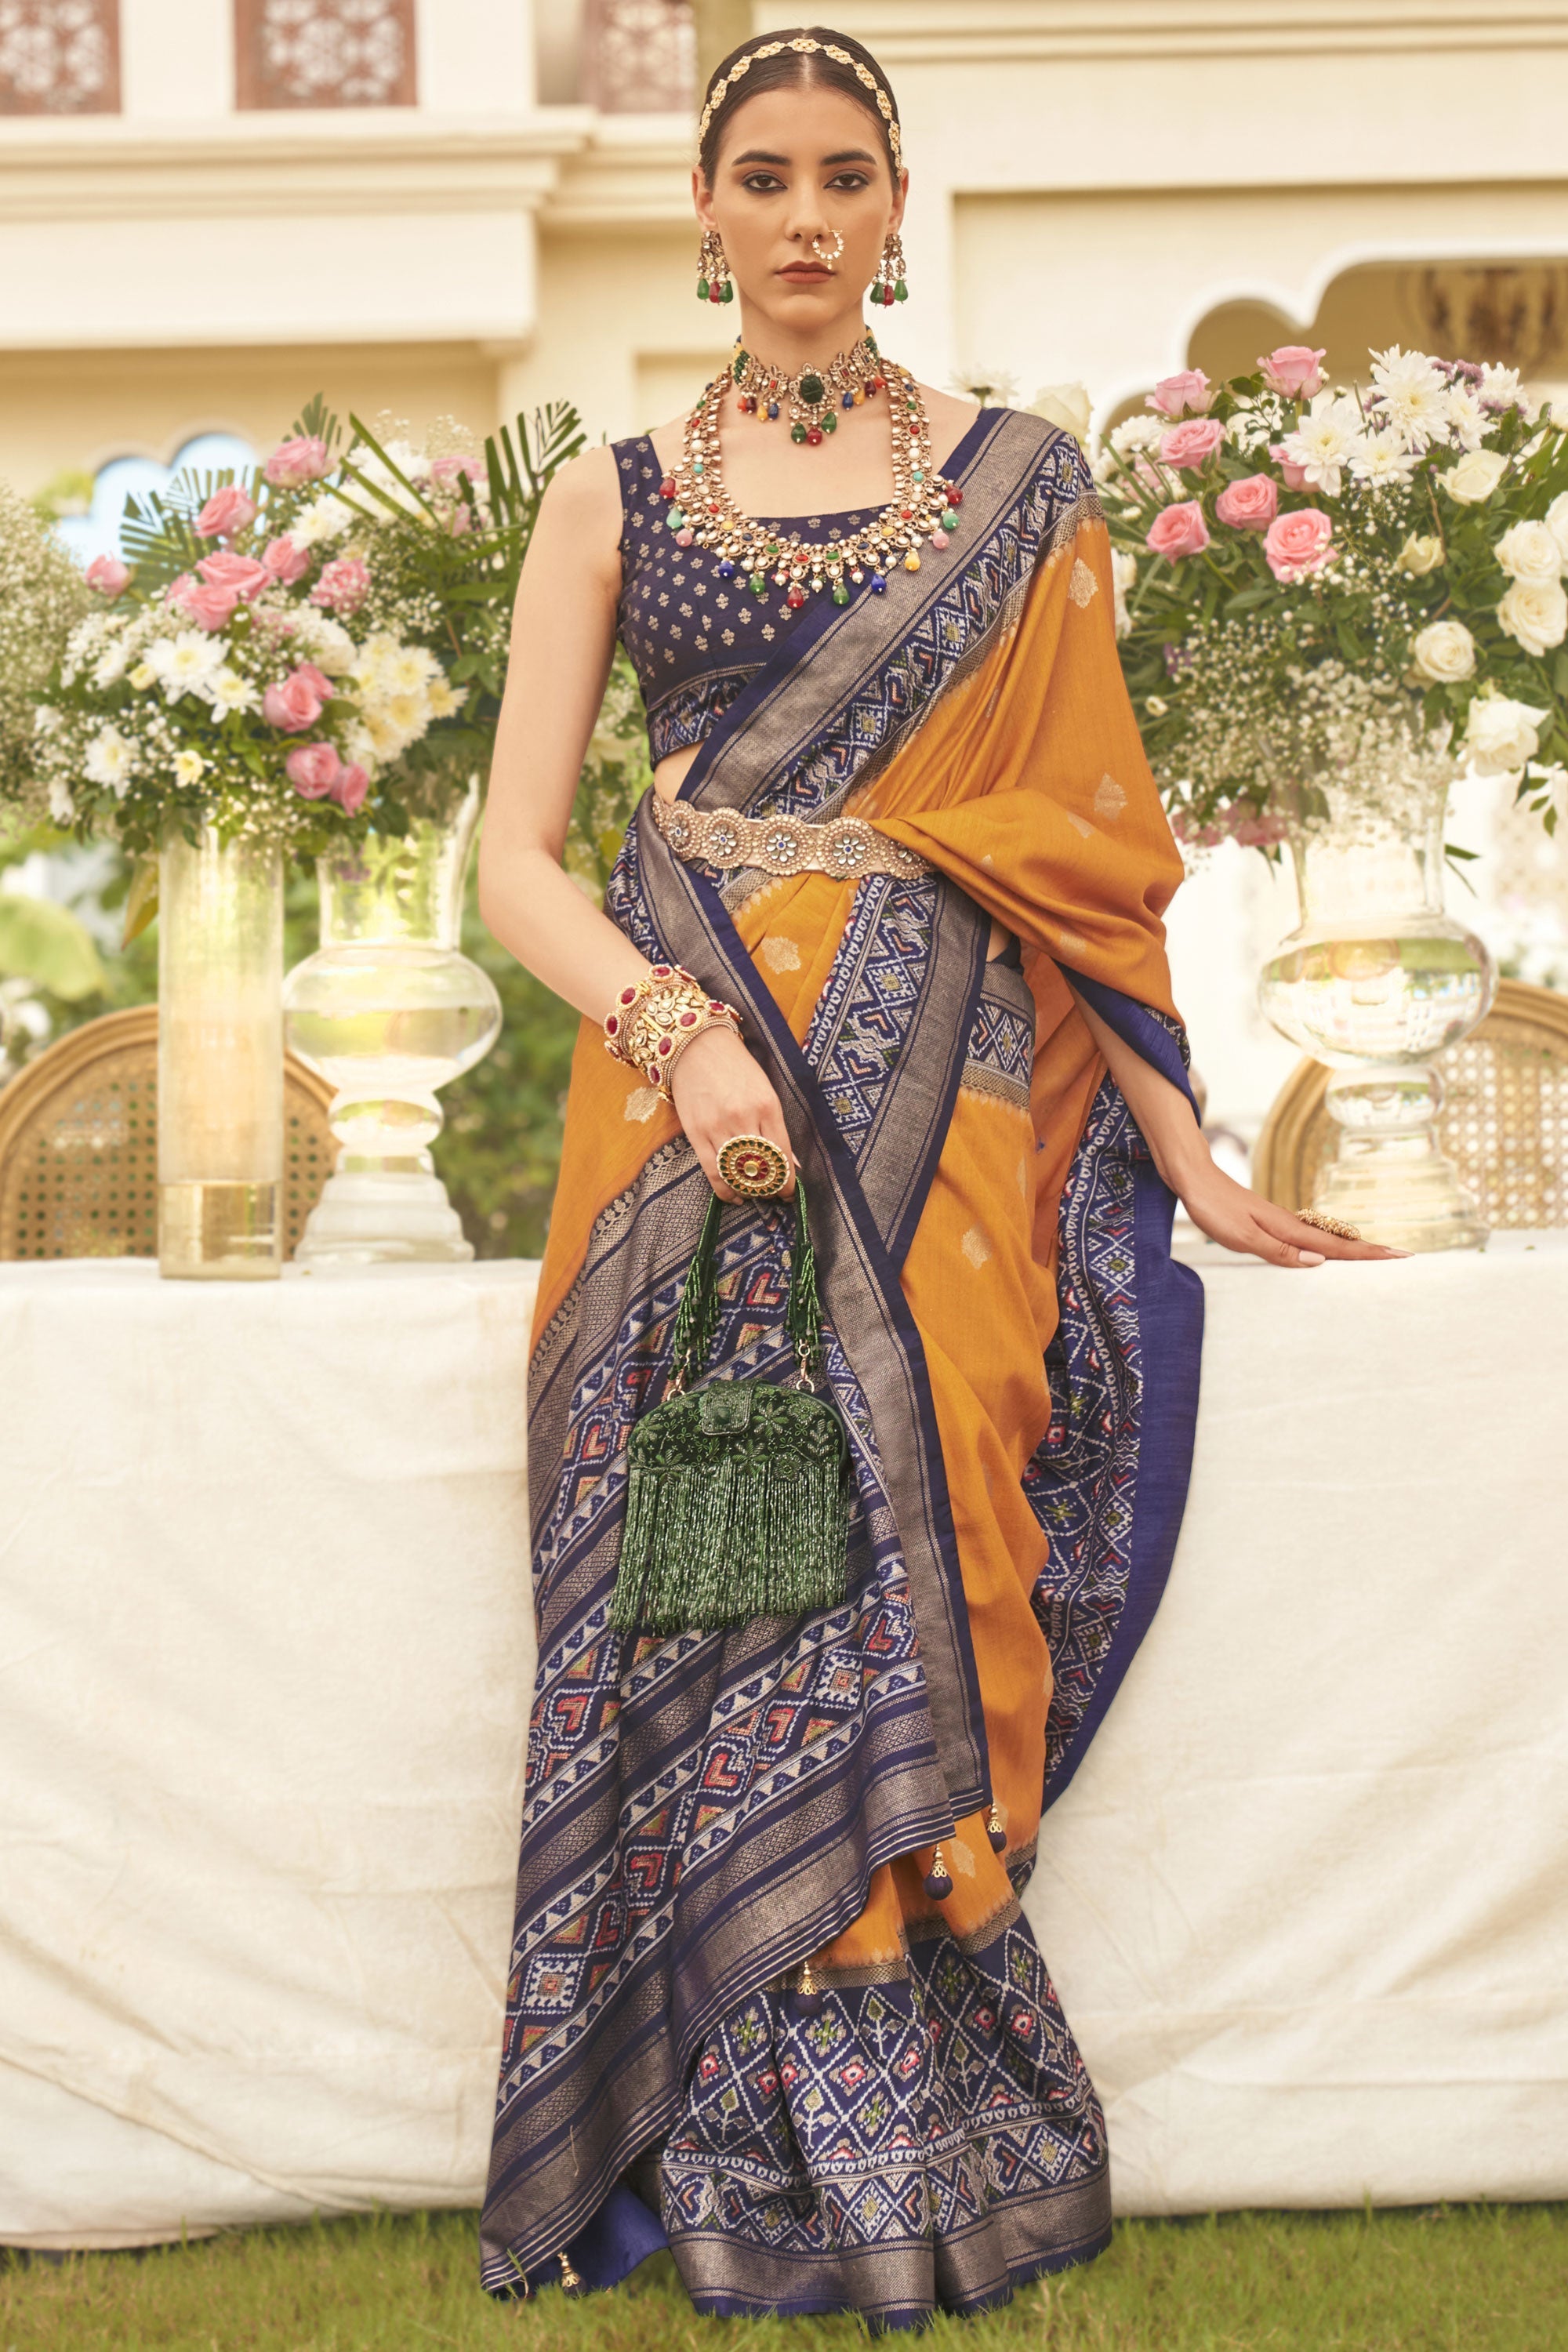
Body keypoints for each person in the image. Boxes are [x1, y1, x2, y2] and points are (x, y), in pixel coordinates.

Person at [474, 24, 1398, 2327]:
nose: (804, 216)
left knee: (939, 1502)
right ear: (707, 210)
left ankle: (913, 2067)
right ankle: (712, 2097)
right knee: (701, 1553)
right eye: (764, 175)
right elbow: (512, 861)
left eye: (844, 176)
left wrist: (1181, 1137)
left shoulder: (1020, 480)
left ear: (897, 207)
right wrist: (680, 1038)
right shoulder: (610, 495)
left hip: (954, 1096)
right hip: (681, 1092)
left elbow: (1089, 855)